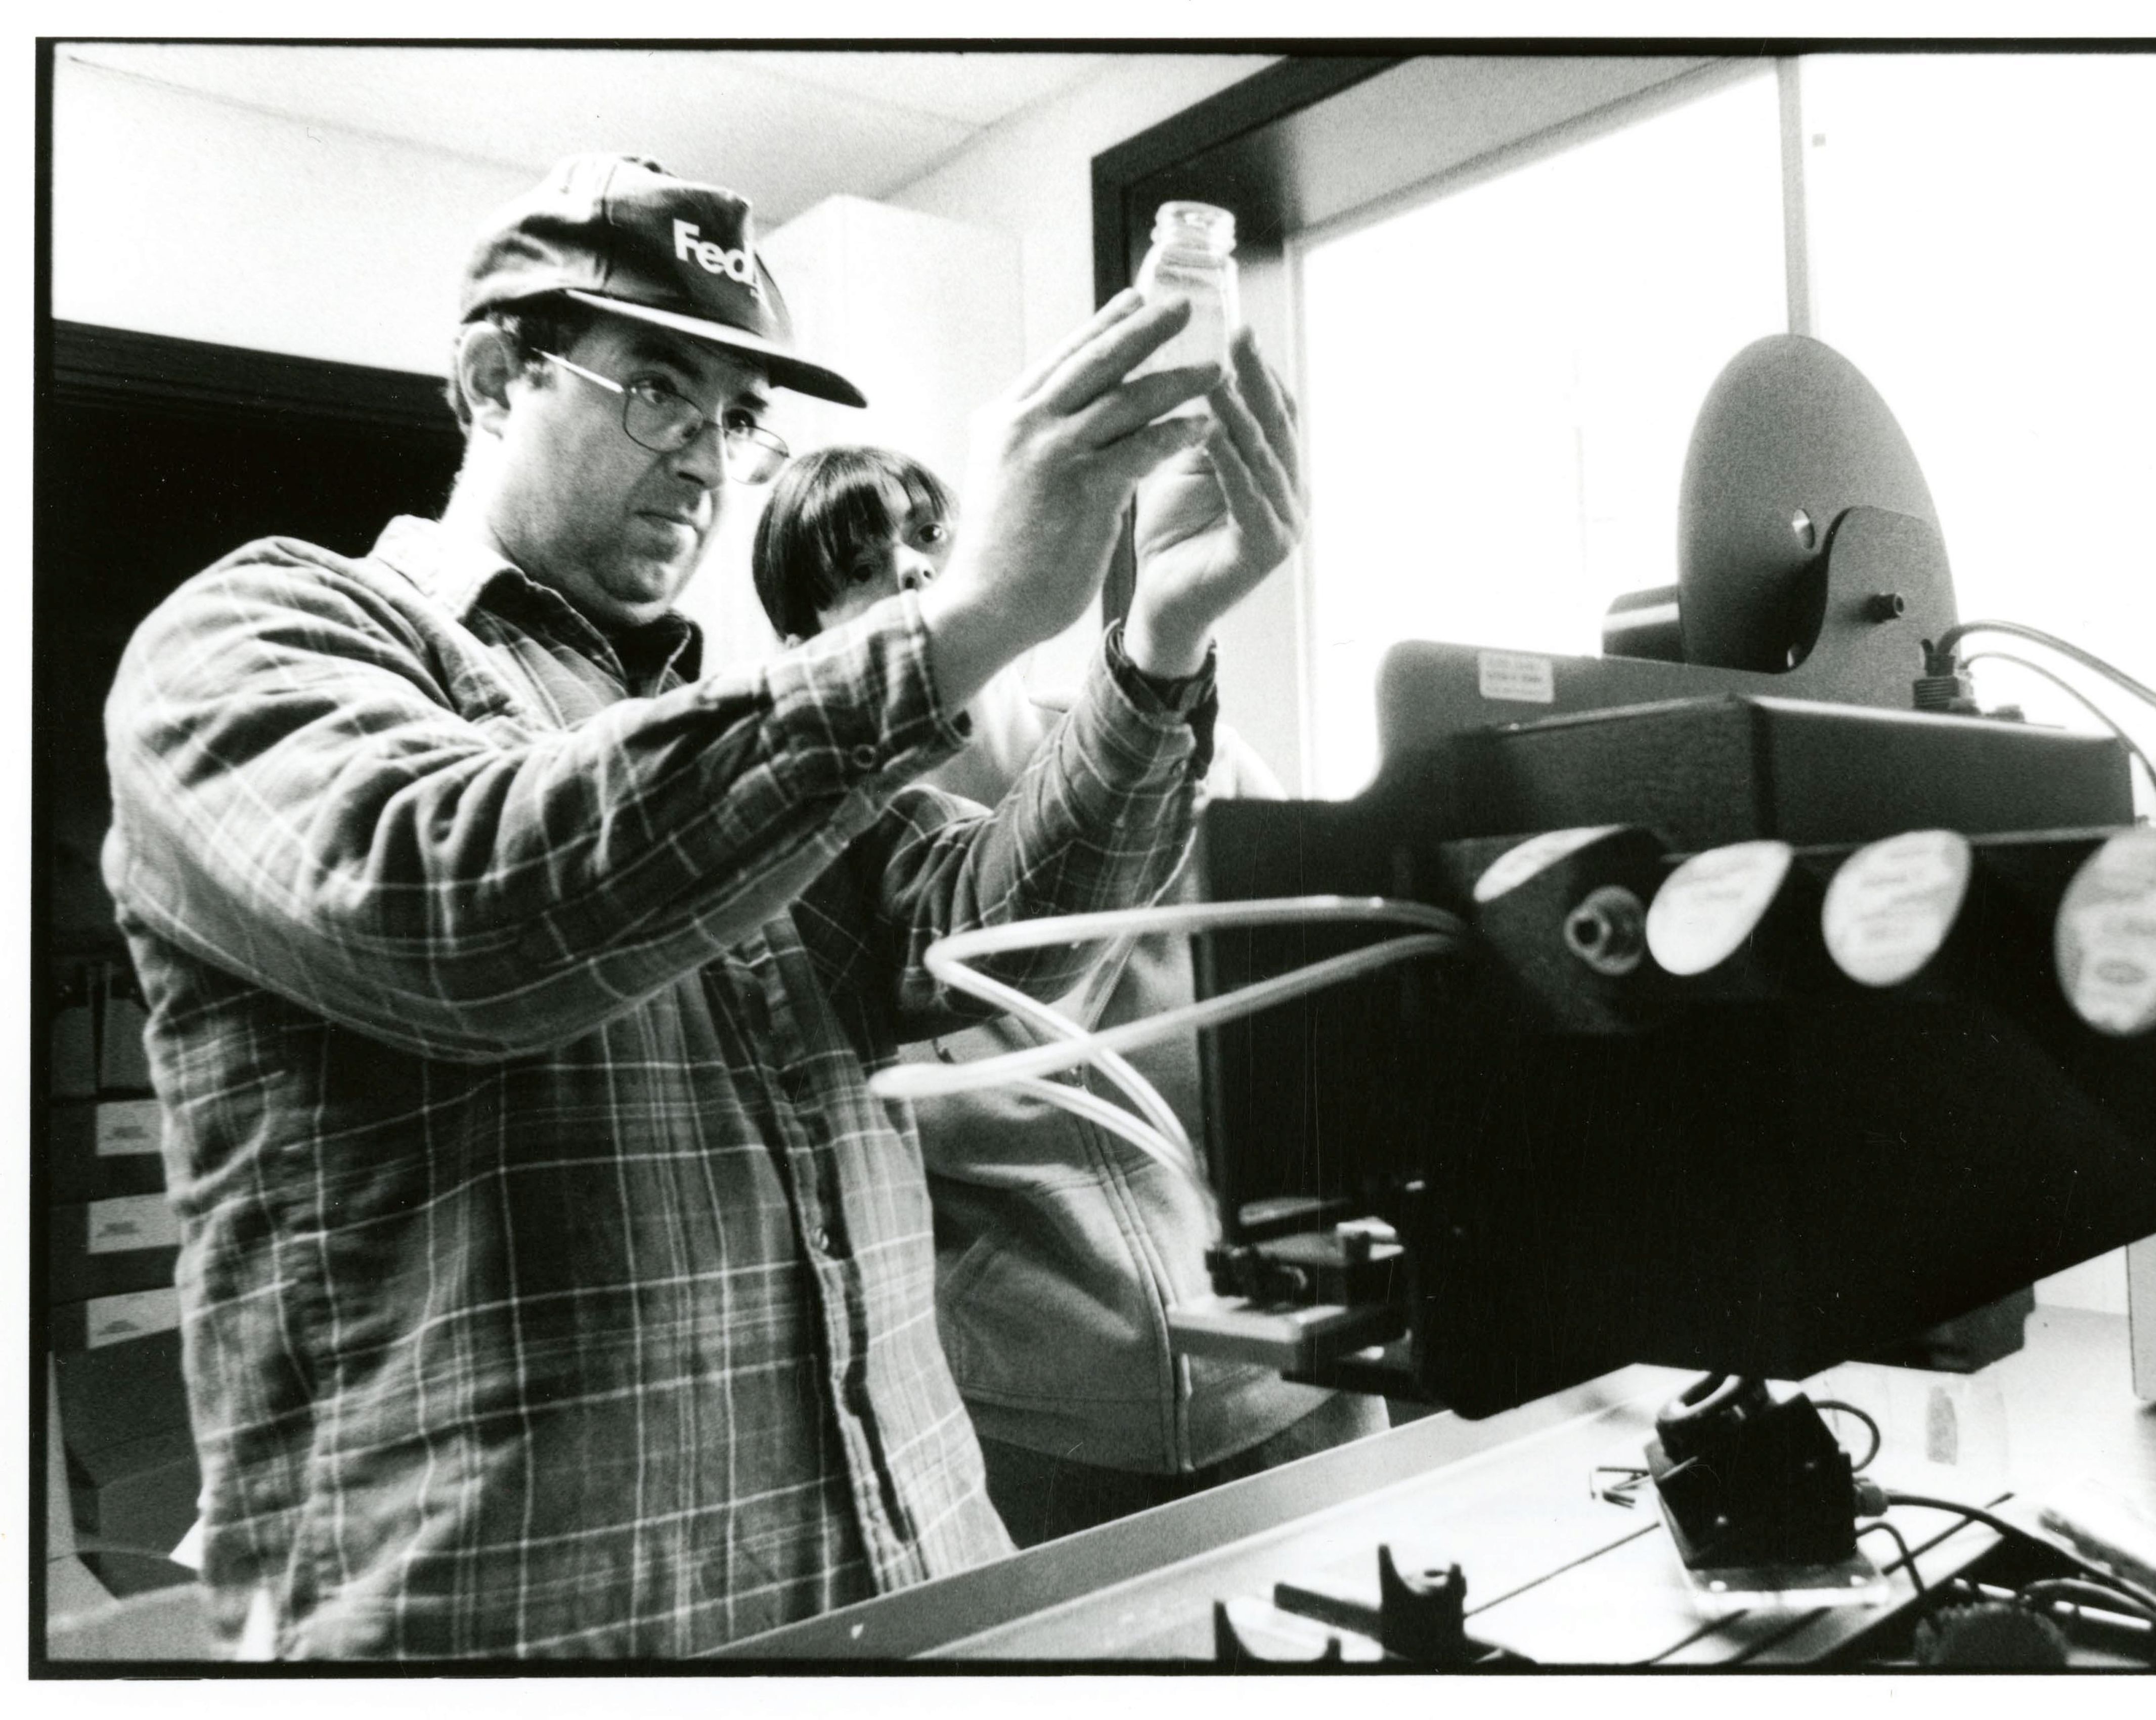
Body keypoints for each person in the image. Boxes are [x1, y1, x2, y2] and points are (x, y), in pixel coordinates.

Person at [98, 153, 1303, 1658]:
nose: (707, 460)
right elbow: (463, 914)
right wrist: (967, 616)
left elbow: (997, 949)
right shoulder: (262, 634)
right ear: (492, 378)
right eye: (659, 390)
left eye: (735, 418)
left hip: (920, 1594)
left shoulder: (737, 731)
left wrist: (1158, 644)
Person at [753, 448, 1383, 1546]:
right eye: (857, 568)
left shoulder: (1187, 756)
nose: (909, 571)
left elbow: (1318, 1033)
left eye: (927, 538)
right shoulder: (819, 867)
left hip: (1288, 1372)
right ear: (806, 641)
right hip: (1035, 1429)